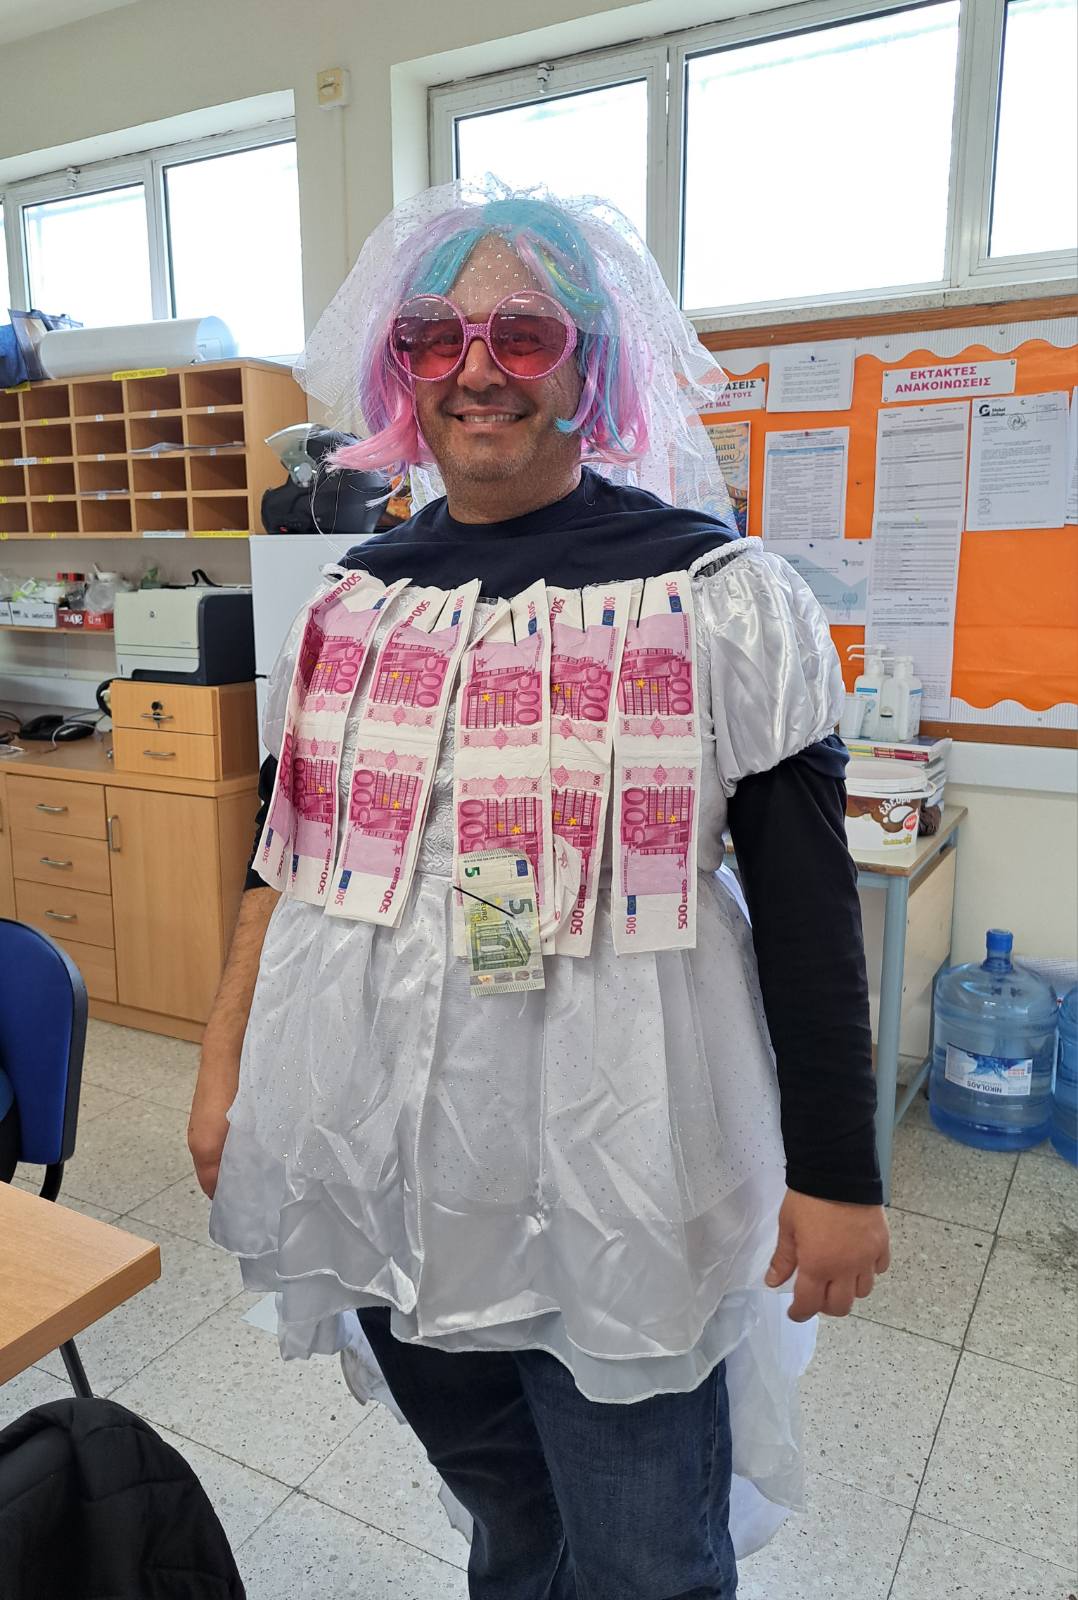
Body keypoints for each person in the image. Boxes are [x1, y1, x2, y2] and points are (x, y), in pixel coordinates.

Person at [190, 177, 889, 1600]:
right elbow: (283, 855)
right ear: (399, 374)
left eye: (522, 334)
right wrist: (224, 1073)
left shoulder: (716, 595)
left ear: (593, 364)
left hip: (619, 1155)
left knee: (644, 1553)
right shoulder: (355, 600)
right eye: (434, 340)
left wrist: (837, 1174)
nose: (476, 373)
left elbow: (810, 912)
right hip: (385, 1151)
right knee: (504, 1513)